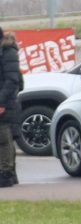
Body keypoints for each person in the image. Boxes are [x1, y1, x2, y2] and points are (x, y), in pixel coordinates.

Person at [0, 28, 20, 188]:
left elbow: (13, 80)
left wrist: (1, 102)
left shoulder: (7, 52)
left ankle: (6, 174)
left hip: (5, 102)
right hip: (6, 100)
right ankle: (9, 173)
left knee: (4, 138)